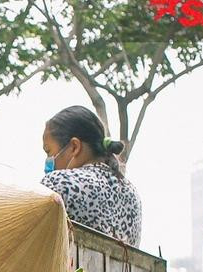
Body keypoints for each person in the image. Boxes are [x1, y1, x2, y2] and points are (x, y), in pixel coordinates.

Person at [40, 105, 142, 248]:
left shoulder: (59, 185)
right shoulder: (132, 195)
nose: (48, 160)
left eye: (48, 151)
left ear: (75, 147)